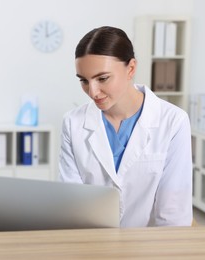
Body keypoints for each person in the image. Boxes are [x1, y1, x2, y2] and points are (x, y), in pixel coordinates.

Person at [58, 26, 192, 227]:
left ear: (130, 68)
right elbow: (71, 205)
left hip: (150, 249)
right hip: (91, 244)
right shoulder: (73, 123)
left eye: (102, 78)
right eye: (84, 81)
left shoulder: (173, 121)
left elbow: (173, 214)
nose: (93, 92)